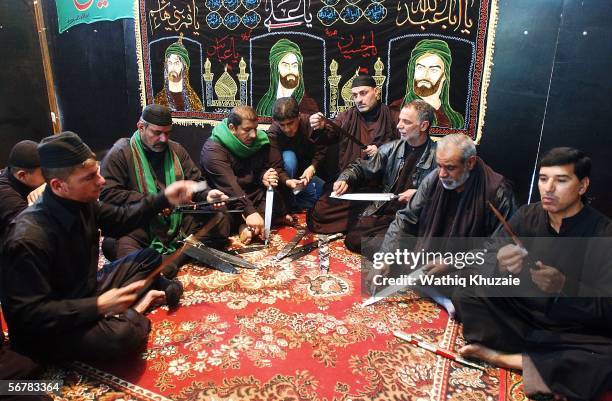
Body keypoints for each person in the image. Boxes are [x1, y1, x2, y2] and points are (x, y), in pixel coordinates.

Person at [0, 131, 198, 362]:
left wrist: (164, 198)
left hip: (85, 292)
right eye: (90, 177)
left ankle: (126, 307)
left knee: (148, 257)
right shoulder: (28, 237)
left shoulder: (82, 202)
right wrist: (97, 306)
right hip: (49, 328)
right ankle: (136, 308)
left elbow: (121, 219)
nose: (101, 181)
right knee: (124, 336)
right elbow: (30, 315)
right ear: (58, 185)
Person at [456, 147, 612, 401]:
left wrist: (566, 286)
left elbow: (607, 310)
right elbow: (483, 262)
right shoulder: (527, 215)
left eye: (560, 180)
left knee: (604, 358)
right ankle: (546, 365)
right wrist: (500, 266)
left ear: (582, 186)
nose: (548, 188)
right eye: (543, 179)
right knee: (466, 292)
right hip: (523, 313)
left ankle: (504, 358)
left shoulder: (603, 233)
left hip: (569, 328)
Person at [100, 104, 229, 278]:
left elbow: (195, 182)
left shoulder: (175, 149)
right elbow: (108, 193)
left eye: (168, 133)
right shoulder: (121, 152)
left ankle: (173, 259)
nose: (163, 139)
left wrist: (207, 195)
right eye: (157, 133)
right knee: (115, 243)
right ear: (141, 127)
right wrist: (155, 202)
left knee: (220, 219)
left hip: (176, 220)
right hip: (142, 223)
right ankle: (178, 254)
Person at [338, 99, 438, 256]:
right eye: (399, 120)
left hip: (415, 219)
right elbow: (363, 166)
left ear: (423, 126)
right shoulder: (393, 147)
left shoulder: (439, 156)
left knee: (395, 245)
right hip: (388, 211)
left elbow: (447, 195)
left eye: (406, 122)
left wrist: (419, 195)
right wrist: (345, 178)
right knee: (354, 239)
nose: (399, 126)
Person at [307, 74, 400, 233]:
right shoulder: (346, 116)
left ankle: (370, 218)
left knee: (392, 204)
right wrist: (321, 126)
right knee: (320, 213)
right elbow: (329, 134)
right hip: (349, 185)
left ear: (376, 92)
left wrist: (383, 152)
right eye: (355, 95)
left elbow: (404, 149)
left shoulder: (393, 117)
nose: (358, 100)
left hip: (380, 188)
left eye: (363, 93)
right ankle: (370, 219)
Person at [200, 105, 290, 244]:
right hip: (228, 197)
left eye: (255, 128)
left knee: (275, 194)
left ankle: (248, 226)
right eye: (247, 130)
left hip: (250, 193)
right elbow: (229, 185)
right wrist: (250, 212)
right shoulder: (213, 150)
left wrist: (264, 176)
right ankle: (249, 223)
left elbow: (256, 170)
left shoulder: (256, 141)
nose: (254, 135)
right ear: (232, 128)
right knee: (219, 216)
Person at [267, 97, 326, 210]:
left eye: (290, 123)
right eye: (282, 125)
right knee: (289, 157)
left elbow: (322, 150)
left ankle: (294, 203)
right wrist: (287, 181)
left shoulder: (310, 124)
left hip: (306, 176)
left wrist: (312, 167)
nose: (287, 129)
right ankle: (287, 202)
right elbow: (275, 166)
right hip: (285, 180)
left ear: (299, 116)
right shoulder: (273, 133)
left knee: (327, 195)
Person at [392, 39, 464, 129]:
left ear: (444, 75)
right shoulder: (396, 110)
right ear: (412, 72)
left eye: (433, 70)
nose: (425, 76)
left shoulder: (455, 120)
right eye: (420, 68)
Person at [256, 38, 319, 117]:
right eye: (285, 65)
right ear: (276, 69)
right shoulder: (265, 105)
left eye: (294, 65)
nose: (290, 70)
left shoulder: (308, 105)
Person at [0, 140, 45, 239]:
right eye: (44, 173)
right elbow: (32, 227)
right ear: (22, 175)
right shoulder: (4, 195)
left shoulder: (17, 175)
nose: (49, 176)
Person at [154, 35, 204, 112]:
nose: (172, 67)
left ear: (184, 67)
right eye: (170, 63)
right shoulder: (159, 99)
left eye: (176, 63)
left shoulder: (194, 101)